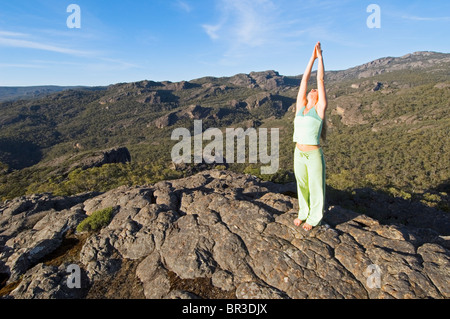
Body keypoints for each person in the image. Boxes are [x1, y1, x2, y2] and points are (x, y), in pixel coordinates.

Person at [293, 42, 327, 231]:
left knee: (316, 186)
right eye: (311, 90)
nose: (312, 89)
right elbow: (304, 80)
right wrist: (311, 58)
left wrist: (320, 58)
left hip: (313, 155)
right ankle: (303, 213)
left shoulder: (319, 109)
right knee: (302, 185)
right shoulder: (300, 109)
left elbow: (320, 80)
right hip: (298, 152)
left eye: (315, 91)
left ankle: (314, 218)